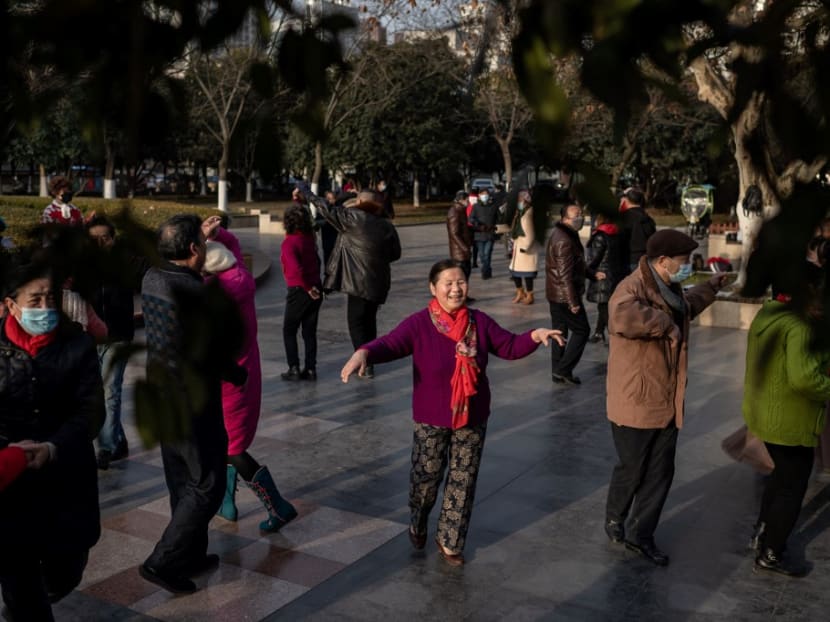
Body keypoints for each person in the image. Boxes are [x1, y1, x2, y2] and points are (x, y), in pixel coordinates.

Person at [340, 259, 564, 565]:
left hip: (472, 415)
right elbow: (390, 344)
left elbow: (509, 346)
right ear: (433, 288)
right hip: (431, 417)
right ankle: (418, 520)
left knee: (463, 481)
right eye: (448, 283)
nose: (456, 288)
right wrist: (364, 351)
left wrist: (535, 336)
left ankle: (450, 540)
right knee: (426, 480)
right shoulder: (420, 324)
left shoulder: (479, 323)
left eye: (461, 282)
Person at [603, 230, 727, 567]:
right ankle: (615, 516)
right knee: (632, 468)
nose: (687, 266)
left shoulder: (669, 287)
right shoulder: (631, 288)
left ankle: (642, 535)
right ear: (662, 261)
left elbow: (685, 308)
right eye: (683, 261)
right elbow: (621, 316)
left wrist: (711, 288)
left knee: (660, 472)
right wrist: (665, 324)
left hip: (668, 398)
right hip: (636, 400)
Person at [138, 214, 246, 594]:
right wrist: (236, 374)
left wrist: (195, 233)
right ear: (195, 250)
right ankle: (161, 561)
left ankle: (190, 554)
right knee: (207, 485)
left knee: (181, 479)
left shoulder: (152, 277)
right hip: (191, 400)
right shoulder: (198, 294)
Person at [0, 261, 105, 620]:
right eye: (35, 300)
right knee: (19, 579)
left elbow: (91, 412)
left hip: (66, 476)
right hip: (11, 484)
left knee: (66, 568)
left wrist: (53, 446)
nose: (45, 308)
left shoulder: (77, 343)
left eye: (51, 298)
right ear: (11, 305)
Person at [203, 240, 299, 531]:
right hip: (244, 373)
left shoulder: (220, 294)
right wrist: (214, 234)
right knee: (228, 444)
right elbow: (230, 247)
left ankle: (279, 507)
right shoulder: (239, 277)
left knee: (232, 448)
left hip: (229, 382)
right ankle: (227, 504)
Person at [742, 265, 830, 577]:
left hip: (767, 413)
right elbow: (804, 378)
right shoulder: (800, 325)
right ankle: (771, 552)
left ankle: (762, 532)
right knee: (792, 487)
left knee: (779, 480)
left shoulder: (769, 313)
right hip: (791, 419)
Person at [86, 214, 150, 469]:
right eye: (94, 239)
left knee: (110, 392)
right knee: (96, 392)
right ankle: (118, 440)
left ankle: (104, 449)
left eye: (106, 238)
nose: (100, 243)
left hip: (119, 336)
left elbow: (149, 268)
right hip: (89, 337)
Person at [320, 190, 401, 379]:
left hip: (356, 281)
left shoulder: (354, 218)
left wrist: (307, 193)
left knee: (356, 322)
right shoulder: (386, 225)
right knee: (369, 321)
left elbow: (326, 209)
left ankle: (363, 360)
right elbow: (396, 254)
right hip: (377, 282)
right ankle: (370, 358)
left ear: (360, 201)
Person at [546, 204, 598, 384]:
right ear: (564, 219)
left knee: (559, 332)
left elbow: (577, 264)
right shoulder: (563, 240)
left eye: (581, 214)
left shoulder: (567, 234)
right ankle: (563, 369)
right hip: (563, 296)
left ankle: (558, 371)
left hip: (556, 294)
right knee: (582, 331)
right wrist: (572, 302)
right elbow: (565, 275)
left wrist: (592, 274)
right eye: (576, 215)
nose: (581, 217)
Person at [279, 205, 323, 381]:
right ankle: (310, 368)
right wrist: (314, 286)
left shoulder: (289, 243)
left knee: (289, 330)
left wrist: (306, 287)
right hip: (315, 288)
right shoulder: (309, 239)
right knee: (309, 331)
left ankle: (294, 367)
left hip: (300, 290)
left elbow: (296, 269)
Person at [585, 212, 624, 344]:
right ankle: (598, 332)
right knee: (604, 305)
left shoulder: (600, 236)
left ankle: (613, 335)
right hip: (614, 274)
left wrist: (587, 271)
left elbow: (595, 258)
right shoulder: (617, 233)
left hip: (602, 275)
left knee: (604, 307)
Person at [508, 189, 539, 305]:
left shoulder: (529, 214)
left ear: (526, 201)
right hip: (518, 247)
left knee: (527, 274)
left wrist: (524, 248)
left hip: (526, 249)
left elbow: (530, 234)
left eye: (521, 200)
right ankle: (520, 292)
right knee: (515, 273)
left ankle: (530, 295)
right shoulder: (520, 213)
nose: (519, 202)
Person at [619, 187, 656, 273]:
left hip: (628, 259)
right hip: (646, 259)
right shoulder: (648, 218)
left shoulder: (624, 217)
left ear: (626, 200)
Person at [470, 188, 498, 280]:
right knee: (482, 255)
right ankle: (488, 268)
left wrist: (495, 226)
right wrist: (478, 225)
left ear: (489, 195)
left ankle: (485, 271)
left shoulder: (493, 206)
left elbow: (498, 218)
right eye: (482, 194)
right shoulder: (475, 206)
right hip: (479, 234)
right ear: (479, 195)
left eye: (486, 194)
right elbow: (471, 219)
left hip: (490, 234)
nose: (484, 196)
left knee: (487, 253)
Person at [447, 190, 473, 279]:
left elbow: (464, 228)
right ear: (462, 200)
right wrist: (465, 248)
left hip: (463, 252)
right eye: (467, 200)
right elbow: (454, 233)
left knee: (465, 276)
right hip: (459, 253)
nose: (468, 202)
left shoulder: (461, 210)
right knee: (462, 278)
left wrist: (481, 228)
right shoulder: (454, 212)